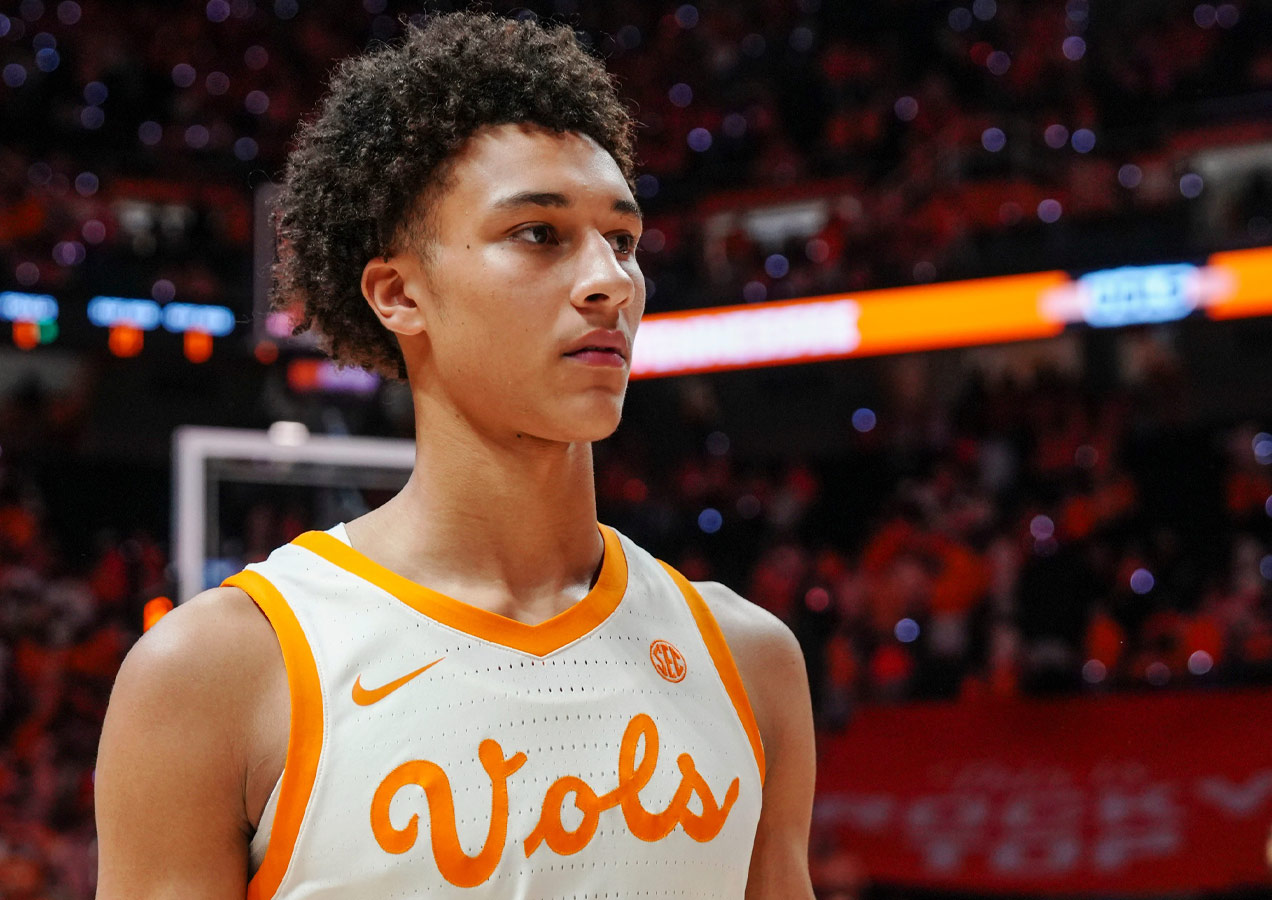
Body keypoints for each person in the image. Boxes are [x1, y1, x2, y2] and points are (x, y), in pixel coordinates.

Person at [94, 11, 815, 898]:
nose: (611, 281)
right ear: (399, 294)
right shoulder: (220, 671)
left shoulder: (748, 659)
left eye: (621, 239)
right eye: (539, 234)